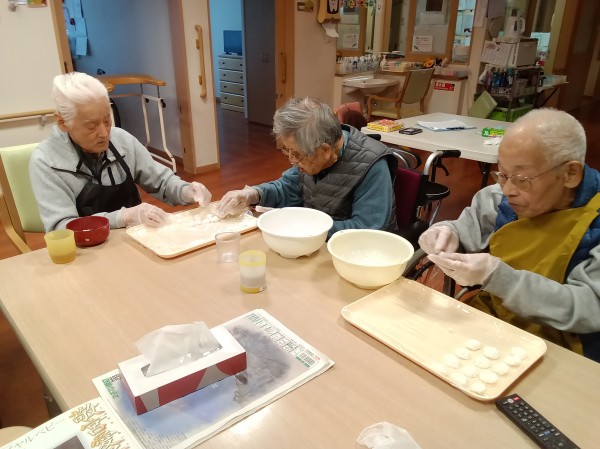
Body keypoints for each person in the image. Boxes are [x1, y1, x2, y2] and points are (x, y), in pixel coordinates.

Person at [418, 108, 600, 362]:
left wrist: (500, 278)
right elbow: (464, 230)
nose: (508, 190)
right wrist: (447, 233)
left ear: (571, 174)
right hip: (494, 325)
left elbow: (589, 308)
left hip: (564, 348)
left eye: (522, 178)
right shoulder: (497, 197)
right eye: (502, 174)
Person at [30, 72, 212, 231]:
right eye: (91, 126)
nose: (104, 133)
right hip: (85, 252)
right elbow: (62, 227)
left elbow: (161, 181)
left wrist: (186, 191)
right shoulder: (46, 161)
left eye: (107, 120)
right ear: (62, 122)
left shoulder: (121, 140)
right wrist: (123, 217)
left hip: (137, 240)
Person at [216, 97, 398, 238]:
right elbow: (288, 188)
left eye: (297, 154)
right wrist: (253, 194)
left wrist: (305, 226)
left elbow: (367, 230)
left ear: (325, 150)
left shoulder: (372, 166)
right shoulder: (312, 151)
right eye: (287, 151)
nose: (292, 160)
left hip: (355, 255)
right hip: (314, 243)